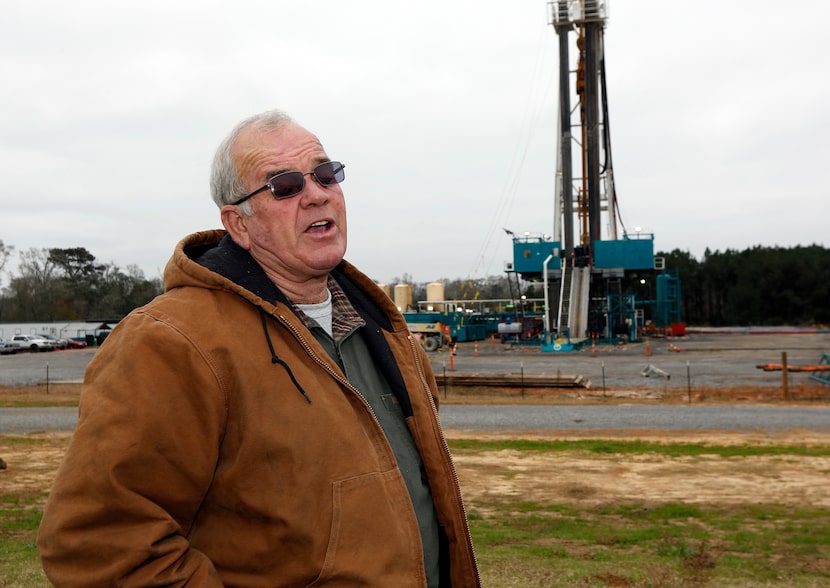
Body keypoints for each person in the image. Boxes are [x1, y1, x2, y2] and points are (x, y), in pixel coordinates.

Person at [38, 109, 480, 587]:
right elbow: (101, 544)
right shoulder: (170, 343)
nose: (315, 193)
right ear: (238, 224)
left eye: (325, 174)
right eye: (284, 185)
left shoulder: (382, 331)